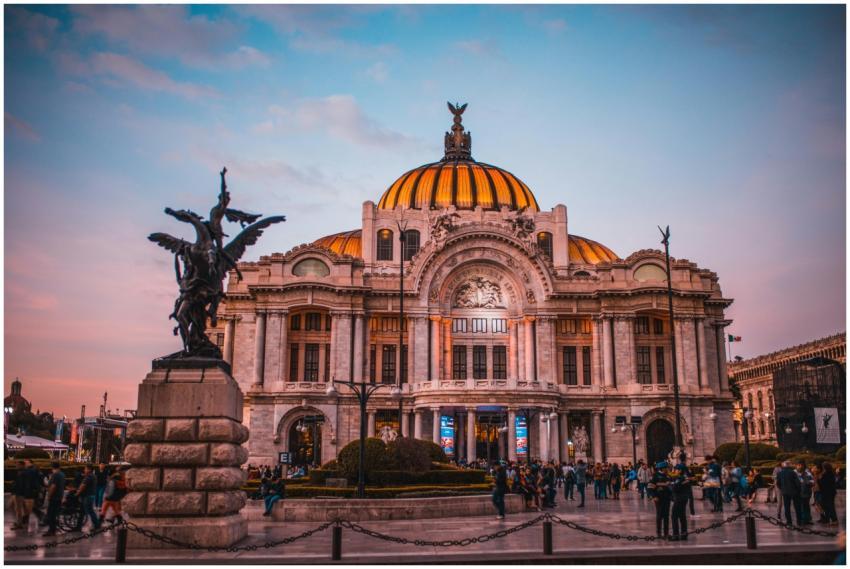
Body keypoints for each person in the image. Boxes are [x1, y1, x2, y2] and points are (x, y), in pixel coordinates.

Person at [73, 464, 102, 532]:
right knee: (82, 512)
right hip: (90, 496)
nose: (84, 470)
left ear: (89, 469)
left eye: (85, 469)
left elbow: (83, 486)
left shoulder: (89, 477)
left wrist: (77, 494)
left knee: (90, 511)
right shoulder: (93, 476)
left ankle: (97, 524)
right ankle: (78, 526)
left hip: (87, 496)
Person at [648, 461, 672, 539]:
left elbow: (670, 487)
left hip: (667, 498)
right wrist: (654, 496)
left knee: (666, 516)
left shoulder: (668, 476)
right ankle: (658, 533)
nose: (667, 469)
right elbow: (650, 487)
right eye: (666, 468)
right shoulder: (655, 476)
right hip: (659, 499)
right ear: (662, 468)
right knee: (659, 516)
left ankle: (666, 533)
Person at [42, 462, 66, 537]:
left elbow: (53, 486)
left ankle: (51, 530)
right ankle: (53, 529)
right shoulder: (62, 474)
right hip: (59, 496)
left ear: (53, 468)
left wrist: (49, 495)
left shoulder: (56, 475)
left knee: (51, 514)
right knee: (54, 514)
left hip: (54, 497)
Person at [776, 460, 802, 527]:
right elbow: (798, 483)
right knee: (797, 507)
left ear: (784, 465)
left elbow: (778, 483)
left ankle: (789, 521)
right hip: (794, 492)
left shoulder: (780, 473)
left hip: (785, 492)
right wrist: (798, 490)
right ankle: (799, 521)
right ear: (789, 465)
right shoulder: (793, 473)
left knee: (787, 507)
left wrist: (782, 489)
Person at [670, 464, 691, 541]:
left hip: (679, 499)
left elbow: (675, 488)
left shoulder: (680, 478)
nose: (675, 471)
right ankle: (684, 533)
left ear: (680, 471)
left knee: (674, 516)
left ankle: (675, 535)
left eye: (676, 469)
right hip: (684, 498)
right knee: (682, 516)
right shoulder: (685, 478)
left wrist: (672, 485)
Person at [796, 460, 814, 525]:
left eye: (801, 465)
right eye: (799, 465)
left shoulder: (807, 473)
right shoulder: (794, 473)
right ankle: (802, 519)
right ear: (797, 466)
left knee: (806, 506)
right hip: (798, 493)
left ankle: (808, 519)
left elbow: (812, 481)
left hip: (807, 492)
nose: (800, 467)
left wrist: (809, 482)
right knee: (801, 507)